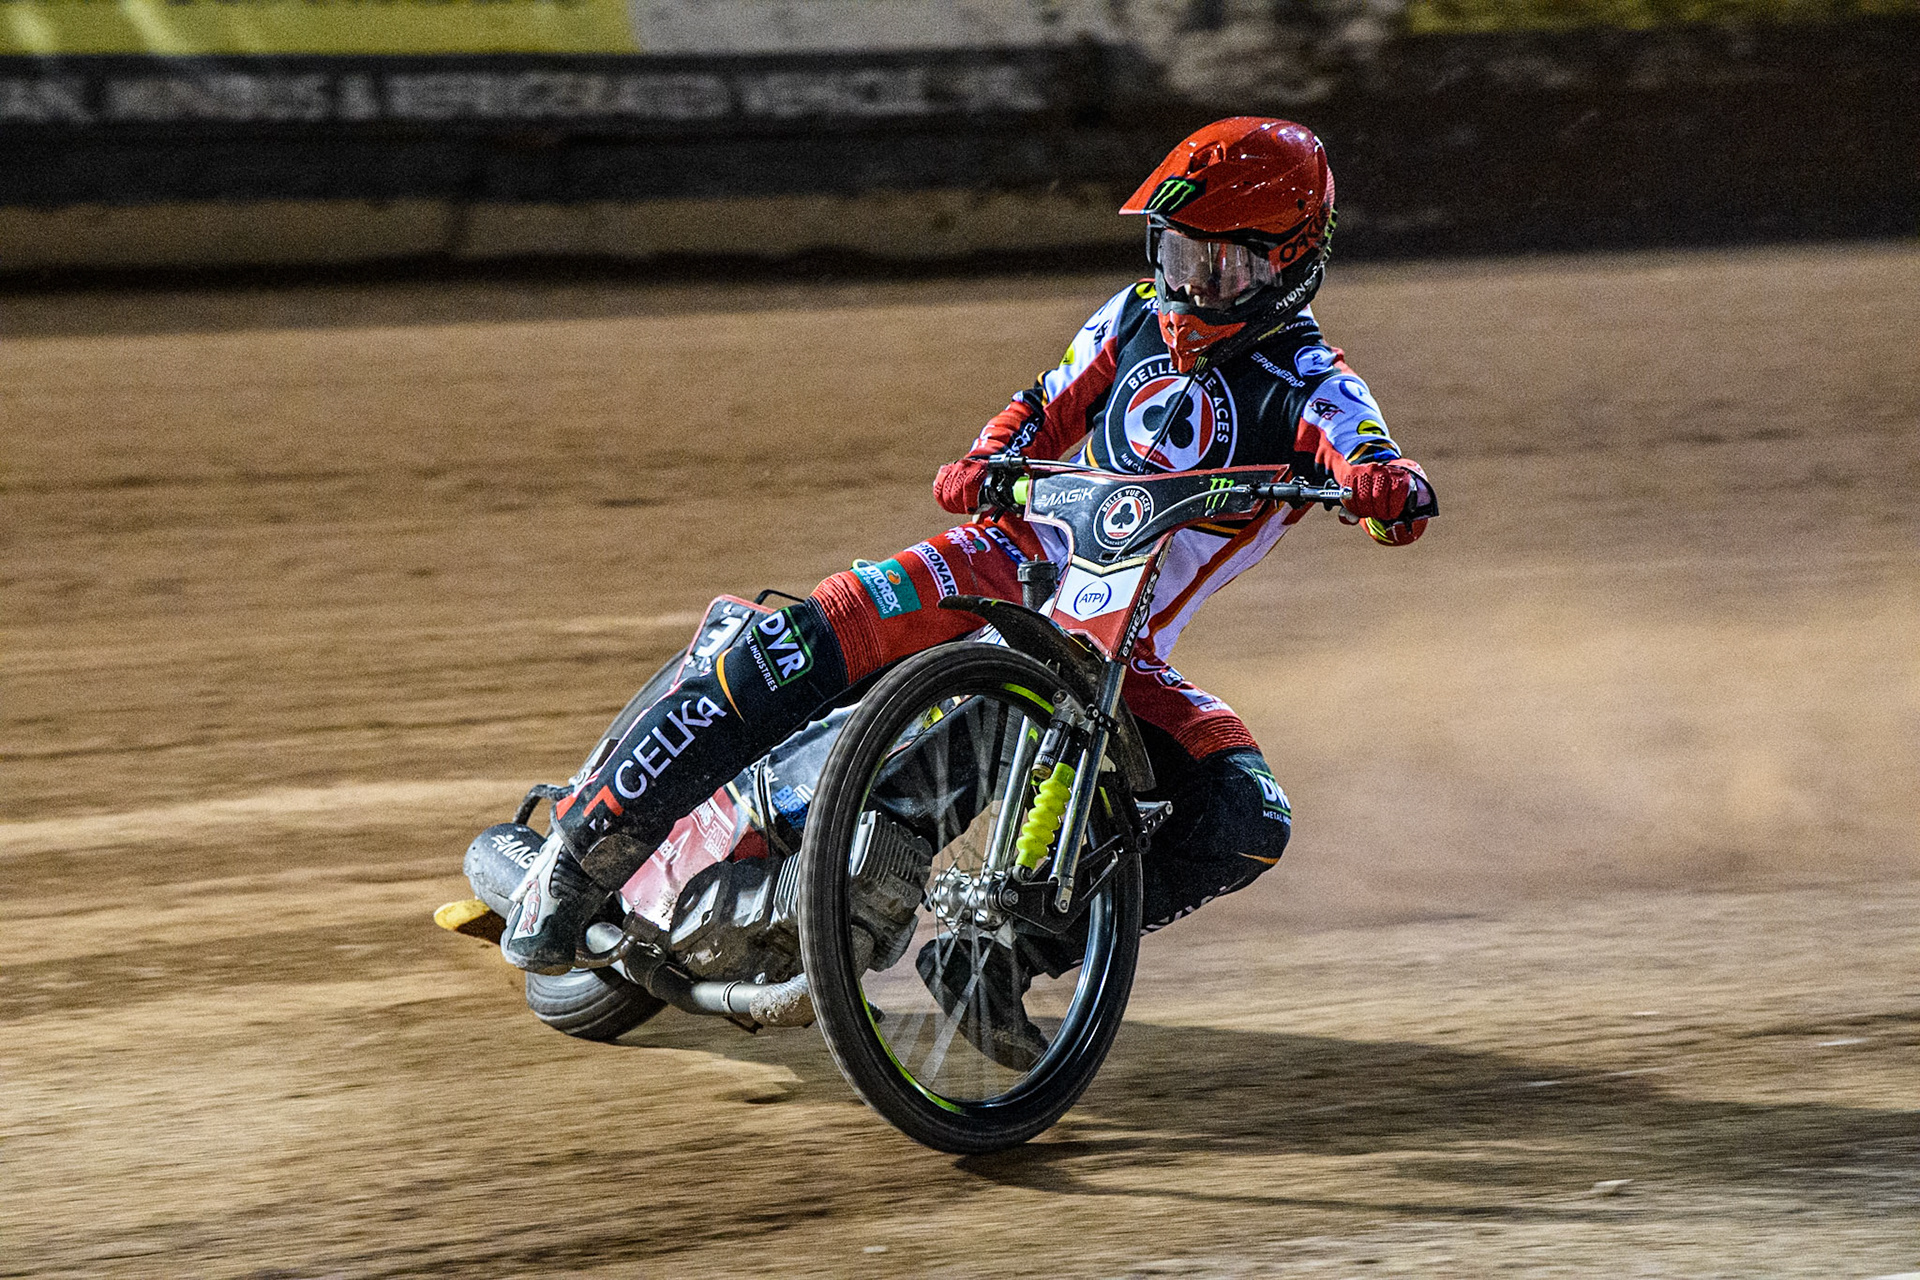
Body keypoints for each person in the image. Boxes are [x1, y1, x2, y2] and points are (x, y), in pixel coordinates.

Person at [500, 117, 1436, 1063]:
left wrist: (1384, 489)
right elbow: (1043, 405)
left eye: (1223, 266)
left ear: (1294, 264)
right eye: (1176, 252)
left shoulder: (1313, 378)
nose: (1191, 283)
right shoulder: (1128, 317)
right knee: (813, 636)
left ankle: (997, 957)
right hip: (1002, 557)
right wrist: (989, 455)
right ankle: (580, 858)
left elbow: (1368, 456)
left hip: (1116, 646)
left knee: (1247, 815)